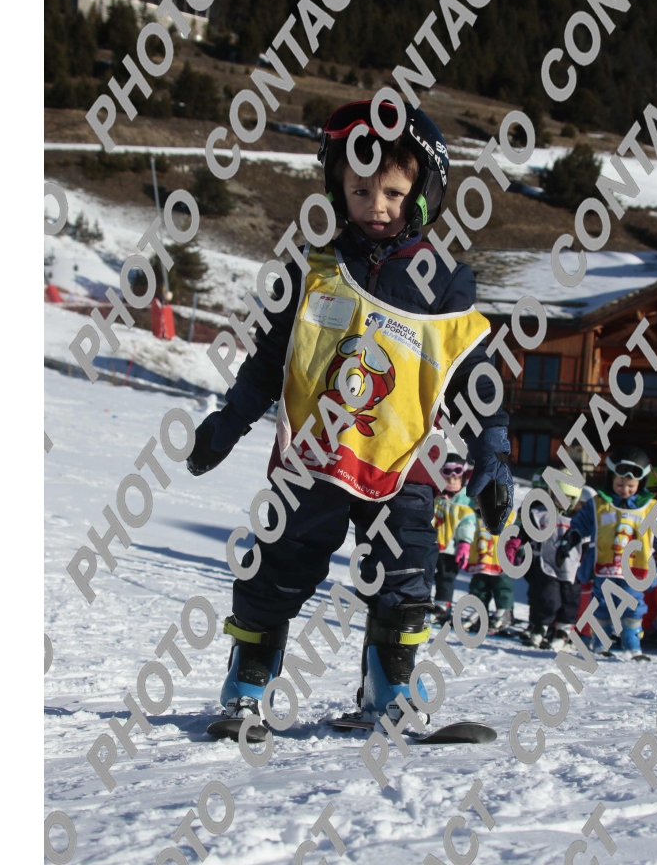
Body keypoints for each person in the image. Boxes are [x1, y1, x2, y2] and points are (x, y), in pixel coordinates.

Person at [186, 100, 513, 734]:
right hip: (314, 456)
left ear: (423, 193)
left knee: (406, 570)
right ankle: (248, 685)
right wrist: (226, 426)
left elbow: (474, 374)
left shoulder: (445, 284)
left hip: (404, 460)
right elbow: (270, 362)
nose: (376, 205)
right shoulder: (313, 269)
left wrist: (493, 450)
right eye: (360, 189)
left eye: (393, 192)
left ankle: (388, 692)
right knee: (278, 566)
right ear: (338, 187)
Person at [555, 446, 657, 661]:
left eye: (631, 486)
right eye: (620, 484)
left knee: (634, 605)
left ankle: (632, 646)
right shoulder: (599, 504)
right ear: (610, 479)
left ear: (641, 483)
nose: (625, 490)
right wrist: (567, 543)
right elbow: (579, 526)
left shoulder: (649, 508)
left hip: (635, 569)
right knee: (602, 604)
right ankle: (600, 644)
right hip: (605, 566)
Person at [505, 469, 589, 650]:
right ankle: (540, 627)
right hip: (547, 564)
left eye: (568, 498)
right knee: (547, 598)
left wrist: (590, 561)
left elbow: (589, 542)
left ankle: (563, 630)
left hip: (572, 568)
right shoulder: (541, 513)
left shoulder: (580, 519)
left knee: (570, 600)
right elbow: (527, 529)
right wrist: (516, 542)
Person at [431, 454, 476, 625]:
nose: (452, 481)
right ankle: (419, 601)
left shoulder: (465, 501)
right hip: (430, 545)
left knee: (446, 577)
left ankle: (442, 606)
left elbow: (467, 523)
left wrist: (464, 544)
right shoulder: (434, 495)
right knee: (423, 574)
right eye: (448, 478)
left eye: (456, 478)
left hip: (450, 548)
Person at [464, 498, 517, 633]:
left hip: (499, 560)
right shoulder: (473, 515)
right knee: (478, 587)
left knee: (502, 587)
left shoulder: (507, 516)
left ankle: (504, 612)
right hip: (480, 559)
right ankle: (479, 612)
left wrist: (516, 550)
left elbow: (517, 533)